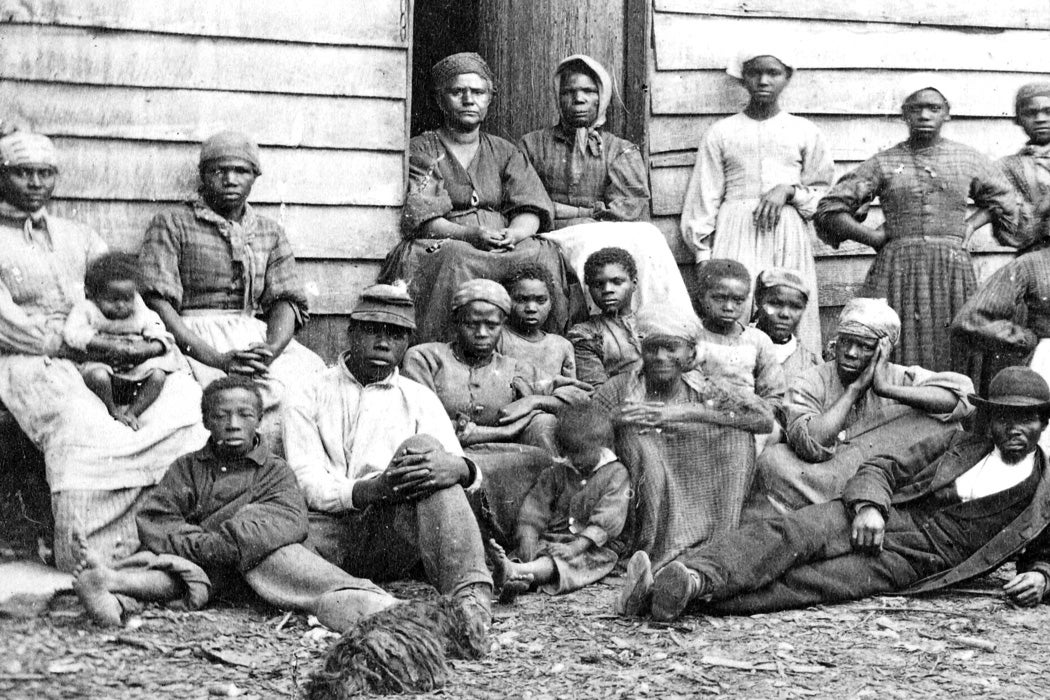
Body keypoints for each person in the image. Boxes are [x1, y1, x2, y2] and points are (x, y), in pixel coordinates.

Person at [619, 366, 1050, 622]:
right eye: (1004, 417)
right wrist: (868, 507)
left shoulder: (1043, 493)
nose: (1015, 429)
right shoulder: (958, 443)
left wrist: (1041, 577)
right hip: (887, 514)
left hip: (919, 559)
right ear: (990, 420)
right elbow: (882, 467)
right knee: (792, 533)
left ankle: (673, 595)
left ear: (1043, 425)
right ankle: (694, 576)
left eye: (1027, 419)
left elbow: (1043, 551)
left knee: (809, 583)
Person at [0, 128, 206, 572]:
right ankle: (89, 553)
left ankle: (170, 534)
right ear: (2, 175)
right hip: (32, 358)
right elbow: (7, 326)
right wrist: (85, 344)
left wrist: (145, 342)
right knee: (83, 423)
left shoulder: (80, 235)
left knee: (183, 402)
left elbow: (126, 298)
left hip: (107, 352)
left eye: (45, 173)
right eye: (22, 173)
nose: (35, 183)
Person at [72, 377, 389, 632]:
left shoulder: (275, 470)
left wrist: (223, 542)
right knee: (174, 571)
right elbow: (158, 519)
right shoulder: (188, 467)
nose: (233, 424)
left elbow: (287, 519)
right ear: (206, 422)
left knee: (273, 545)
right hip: (200, 563)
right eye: (221, 416)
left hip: (254, 560)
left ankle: (356, 600)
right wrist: (202, 546)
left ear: (260, 421)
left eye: (244, 415)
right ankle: (111, 587)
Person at [282, 283, 493, 623]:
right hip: (329, 531)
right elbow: (305, 478)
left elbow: (453, 473)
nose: (383, 343)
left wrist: (462, 469)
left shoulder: (418, 397)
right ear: (350, 333)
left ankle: (470, 601)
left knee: (425, 449)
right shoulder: (307, 391)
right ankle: (363, 600)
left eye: (395, 334)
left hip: (391, 532)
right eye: (372, 331)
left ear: (407, 342)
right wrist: (371, 489)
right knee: (275, 543)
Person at [815, 78, 1018, 375]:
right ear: (904, 114)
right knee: (892, 341)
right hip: (897, 267)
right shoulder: (885, 162)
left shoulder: (967, 158)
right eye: (916, 108)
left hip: (951, 267)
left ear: (946, 113)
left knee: (953, 341)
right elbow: (830, 210)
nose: (924, 115)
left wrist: (971, 226)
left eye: (933, 108)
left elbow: (1006, 198)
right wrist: (871, 238)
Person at [139, 130, 325, 450]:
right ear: (203, 176)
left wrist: (268, 353)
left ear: (255, 176)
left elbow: (285, 300)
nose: (229, 179)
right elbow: (158, 301)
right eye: (218, 171)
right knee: (185, 410)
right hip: (189, 338)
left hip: (253, 339)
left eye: (240, 171)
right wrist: (216, 359)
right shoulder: (172, 223)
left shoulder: (269, 231)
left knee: (307, 393)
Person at [381, 52, 583, 343]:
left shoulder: (504, 151)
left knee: (541, 253)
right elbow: (425, 220)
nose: (468, 99)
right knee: (455, 258)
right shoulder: (423, 149)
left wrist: (513, 234)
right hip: (450, 239)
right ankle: (444, 350)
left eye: (478, 92)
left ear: (489, 99)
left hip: (500, 240)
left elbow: (531, 207)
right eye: (457, 92)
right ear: (440, 100)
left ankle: (540, 352)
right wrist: (471, 234)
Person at [592, 305, 775, 567]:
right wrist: (614, 421)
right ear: (641, 349)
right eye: (652, 348)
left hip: (697, 484)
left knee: (738, 439)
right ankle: (655, 552)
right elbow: (584, 430)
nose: (661, 356)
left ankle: (716, 545)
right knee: (636, 439)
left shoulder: (707, 387)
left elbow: (764, 420)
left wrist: (688, 412)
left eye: (671, 348)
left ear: (690, 352)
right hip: (645, 502)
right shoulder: (622, 388)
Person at [680, 46, 834, 355]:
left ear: (787, 77)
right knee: (737, 304)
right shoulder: (722, 132)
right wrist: (703, 257)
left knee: (786, 305)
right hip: (736, 229)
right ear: (742, 78)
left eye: (773, 73)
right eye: (754, 72)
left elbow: (824, 197)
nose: (763, 80)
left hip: (786, 232)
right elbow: (704, 196)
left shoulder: (804, 131)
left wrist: (789, 191)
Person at [756, 298, 974, 513]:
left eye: (864, 346)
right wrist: (854, 391)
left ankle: (857, 505)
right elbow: (812, 445)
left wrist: (886, 389)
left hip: (886, 477)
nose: (851, 353)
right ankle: (858, 507)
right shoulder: (810, 380)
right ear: (836, 341)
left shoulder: (899, 377)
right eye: (846, 341)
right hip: (828, 475)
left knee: (944, 425)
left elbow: (962, 397)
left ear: (884, 351)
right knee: (773, 460)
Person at [402, 279, 580, 537]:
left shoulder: (513, 368)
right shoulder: (426, 358)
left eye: (492, 325)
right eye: (472, 324)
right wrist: (504, 432)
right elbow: (424, 422)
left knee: (544, 427)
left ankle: (539, 530)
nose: (482, 333)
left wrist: (535, 401)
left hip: (496, 456)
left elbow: (580, 395)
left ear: (502, 327)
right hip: (445, 454)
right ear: (455, 323)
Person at [520, 54, 693, 318]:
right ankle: (597, 323)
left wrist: (585, 215)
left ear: (602, 97)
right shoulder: (532, 145)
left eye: (588, 91)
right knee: (591, 238)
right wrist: (582, 215)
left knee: (649, 236)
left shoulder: (618, 149)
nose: (578, 99)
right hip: (552, 231)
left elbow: (628, 207)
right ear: (558, 96)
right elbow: (529, 200)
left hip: (602, 229)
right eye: (569, 92)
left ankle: (661, 320)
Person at [488, 406, 629, 600]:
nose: (576, 459)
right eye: (571, 453)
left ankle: (517, 572)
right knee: (534, 552)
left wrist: (576, 547)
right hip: (553, 538)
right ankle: (515, 576)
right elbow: (535, 507)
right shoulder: (558, 471)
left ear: (600, 445)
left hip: (590, 546)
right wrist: (527, 535)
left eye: (582, 452)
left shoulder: (615, 473)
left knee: (565, 563)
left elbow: (607, 519)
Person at [63, 252, 179, 430]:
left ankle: (133, 411)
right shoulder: (87, 309)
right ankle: (112, 410)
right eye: (113, 299)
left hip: (134, 368)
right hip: (104, 365)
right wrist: (108, 345)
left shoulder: (139, 309)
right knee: (98, 376)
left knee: (158, 375)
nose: (121, 306)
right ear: (93, 295)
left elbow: (159, 331)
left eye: (127, 299)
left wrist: (146, 349)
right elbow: (72, 333)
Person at [693, 259, 785, 412]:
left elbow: (773, 394)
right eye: (720, 298)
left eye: (738, 300)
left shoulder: (757, 340)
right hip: (703, 418)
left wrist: (760, 413)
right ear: (702, 297)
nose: (729, 307)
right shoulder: (694, 337)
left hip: (749, 419)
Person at [568, 247, 646, 388]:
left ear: (634, 284)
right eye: (598, 284)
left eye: (617, 282)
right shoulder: (586, 333)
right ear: (589, 289)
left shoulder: (655, 323)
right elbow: (598, 390)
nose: (607, 290)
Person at [993, 82, 1050, 252]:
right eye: (1031, 113)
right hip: (1036, 258)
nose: (1040, 119)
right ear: (1017, 120)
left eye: (1049, 111)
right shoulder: (1007, 168)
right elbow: (1014, 235)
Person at [497, 262, 577, 379]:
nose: (531, 308)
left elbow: (571, 392)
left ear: (551, 303)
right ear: (508, 301)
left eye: (540, 300)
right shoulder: (499, 339)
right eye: (522, 299)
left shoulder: (562, 346)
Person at [751, 268, 820, 383]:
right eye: (776, 304)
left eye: (795, 307)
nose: (785, 314)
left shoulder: (809, 363)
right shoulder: (739, 348)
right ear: (758, 300)